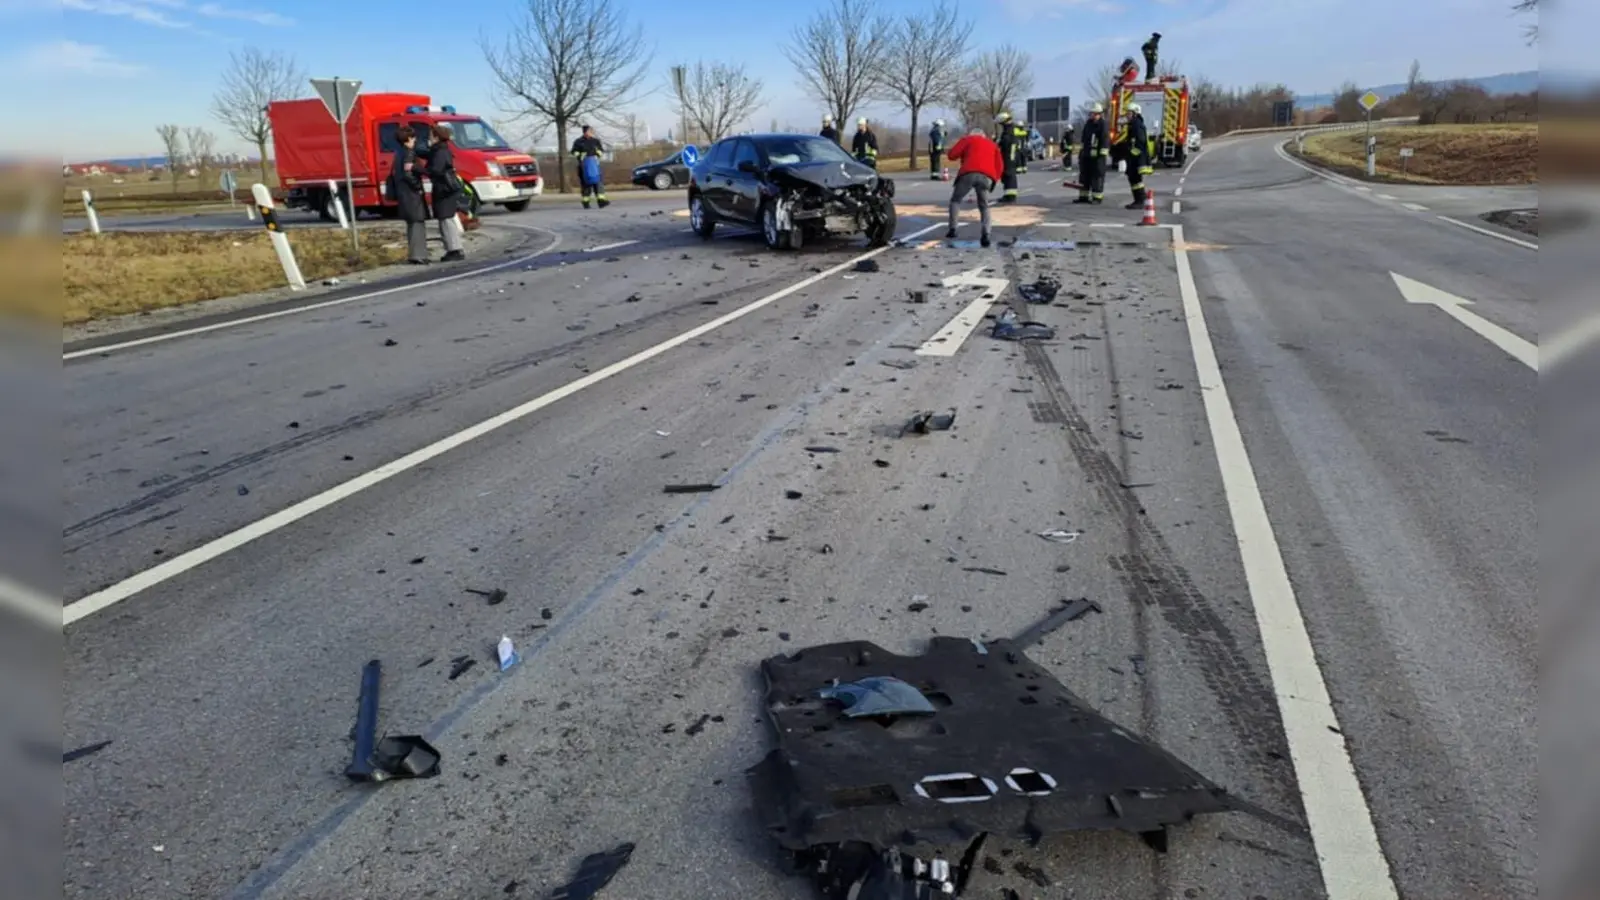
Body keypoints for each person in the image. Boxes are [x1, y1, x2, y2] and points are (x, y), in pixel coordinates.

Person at [943, 126, 1003, 248]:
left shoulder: (967, 140)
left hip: (968, 173)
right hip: (986, 176)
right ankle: (986, 233)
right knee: (984, 206)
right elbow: (1000, 166)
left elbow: (952, 155)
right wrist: (994, 180)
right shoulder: (992, 145)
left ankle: (953, 229)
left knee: (956, 200)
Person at [423, 123, 467, 262]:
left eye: (431, 135)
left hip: (444, 190)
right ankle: (454, 248)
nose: (429, 138)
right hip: (446, 189)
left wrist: (418, 169)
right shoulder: (441, 150)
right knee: (446, 219)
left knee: (446, 220)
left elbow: (435, 170)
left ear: (436, 137)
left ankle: (454, 249)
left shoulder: (440, 152)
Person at [389, 125, 430, 264]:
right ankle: (419, 255)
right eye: (413, 137)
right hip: (411, 193)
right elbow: (408, 174)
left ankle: (415, 254)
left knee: (412, 224)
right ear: (407, 139)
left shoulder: (398, 153)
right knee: (417, 222)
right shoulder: (409, 153)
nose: (415, 139)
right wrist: (418, 186)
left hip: (403, 193)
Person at [1115, 102, 1155, 208]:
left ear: (1135, 113)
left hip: (1137, 158)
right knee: (1133, 179)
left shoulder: (1137, 125)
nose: (1127, 115)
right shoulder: (1133, 124)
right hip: (1134, 157)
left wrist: (1131, 153)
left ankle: (1140, 200)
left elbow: (1140, 142)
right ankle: (1138, 200)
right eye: (1127, 113)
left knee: (1136, 179)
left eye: (1129, 113)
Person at [1073, 103, 1110, 205]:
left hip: (1098, 157)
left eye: (1094, 114)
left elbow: (1104, 140)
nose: (1092, 115)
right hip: (1087, 155)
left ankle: (1097, 197)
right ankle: (1083, 197)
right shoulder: (1088, 124)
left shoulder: (1102, 125)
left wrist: (1101, 155)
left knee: (1097, 176)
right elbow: (1084, 139)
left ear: (1099, 114)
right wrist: (1082, 152)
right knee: (1084, 176)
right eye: (1091, 114)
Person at [571, 124, 608, 209]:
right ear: (585, 132)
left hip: (595, 165)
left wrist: (598, 154)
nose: (591, 132)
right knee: (586, 184)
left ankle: (601, 201)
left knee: (598, 183)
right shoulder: (578, 141)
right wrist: (580, 155)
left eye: (592, 131)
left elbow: (601, 150)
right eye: (590, 131)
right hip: (584, 166)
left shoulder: (595, 141)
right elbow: (573, 151)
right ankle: (585, 201)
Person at [994, 111, 1019, 202]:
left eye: (1001, 123)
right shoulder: (1010, 128)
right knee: (1006, 174)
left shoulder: (1009, 130)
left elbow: (1007, 142)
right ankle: (1008, 195)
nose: (1000, 125)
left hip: (1009, 155)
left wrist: (999, 142)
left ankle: (1010, 196)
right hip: (1009, 154)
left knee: (1009, 174)